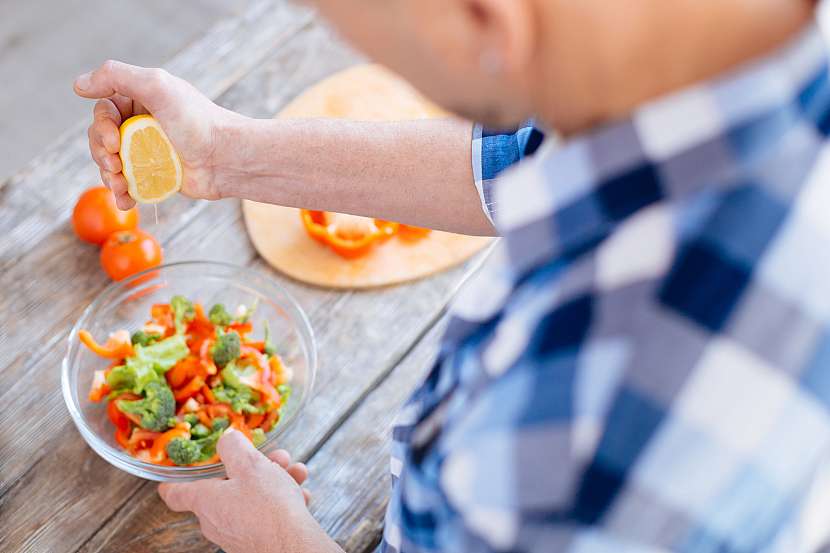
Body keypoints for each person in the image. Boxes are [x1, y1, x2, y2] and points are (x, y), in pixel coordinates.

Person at [73, 0, 830, 551]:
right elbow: (516, 162)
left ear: (485, 17)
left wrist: (284, 539)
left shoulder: (571, 446)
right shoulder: (701, 66)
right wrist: (222, 152)